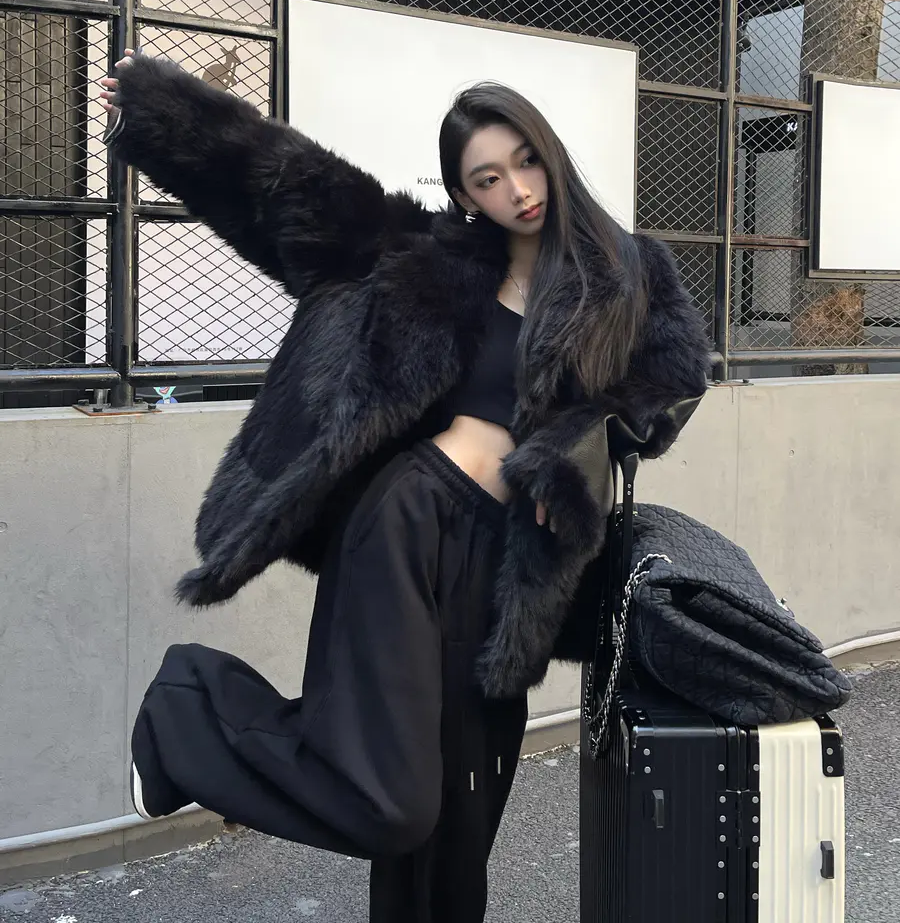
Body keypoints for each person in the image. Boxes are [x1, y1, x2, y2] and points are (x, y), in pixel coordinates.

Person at [99, 51, 709, 923]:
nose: (517, 190)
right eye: (487, 178)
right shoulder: (424, 258)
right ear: (465, 195)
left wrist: (571, 444)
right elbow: (287, 186)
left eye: (525, 162)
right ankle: (189, 706)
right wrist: (162, 112)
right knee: (394, 801)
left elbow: (670, 390)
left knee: (460, 819)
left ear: (550, 154)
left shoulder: (631, 272)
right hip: (407, 523)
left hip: (508, 566)